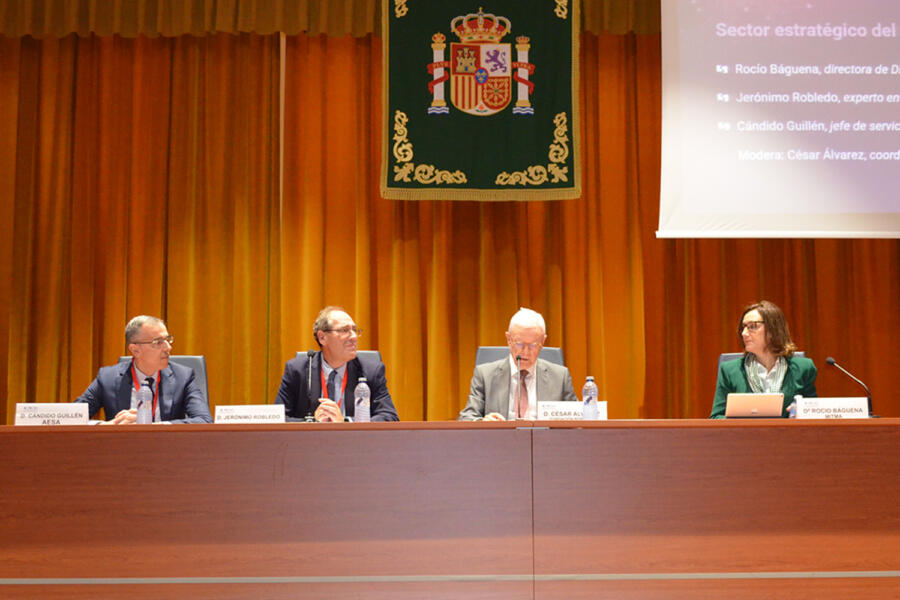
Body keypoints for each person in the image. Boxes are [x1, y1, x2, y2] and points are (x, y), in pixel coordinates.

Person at [75, 315, 212, 424]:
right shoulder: (107, 377)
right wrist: (108, 426)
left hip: (167, 452)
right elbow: (71, 418)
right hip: (121, 453)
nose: (168, 348)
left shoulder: (183, 377)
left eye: (167, 340)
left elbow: (204, 420)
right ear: (135, 350)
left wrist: (154, 426)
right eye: (158, 342)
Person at [276, 306, 399, 422]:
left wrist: (346, 422)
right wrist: (312, 422)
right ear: (322, 337)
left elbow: (389, 416)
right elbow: (278, 419)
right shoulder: (297, 370)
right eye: (345, 330)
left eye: (355, 330)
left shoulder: (371, 370)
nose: (354, 337)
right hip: (310, 442)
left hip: (353, 443)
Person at [458, 307, 577, 421]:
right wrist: (482, 421)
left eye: (533, 345)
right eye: (519, 344)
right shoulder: (485, 375)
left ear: (542, 342)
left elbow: (578, 419)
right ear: (509, 339)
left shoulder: (560, 377)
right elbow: (467, 417)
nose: (525, 352)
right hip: (500, 440)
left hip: (546, 440)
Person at [710, 300, 817, 418]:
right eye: (743, 328)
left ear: (773, 329)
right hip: (745, 435)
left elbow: (813, 414)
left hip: (786, 435)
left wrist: (800, 412)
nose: (744, 333)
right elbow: (716, 417)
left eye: (752, 327)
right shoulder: (730, 370)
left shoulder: (803, 368)